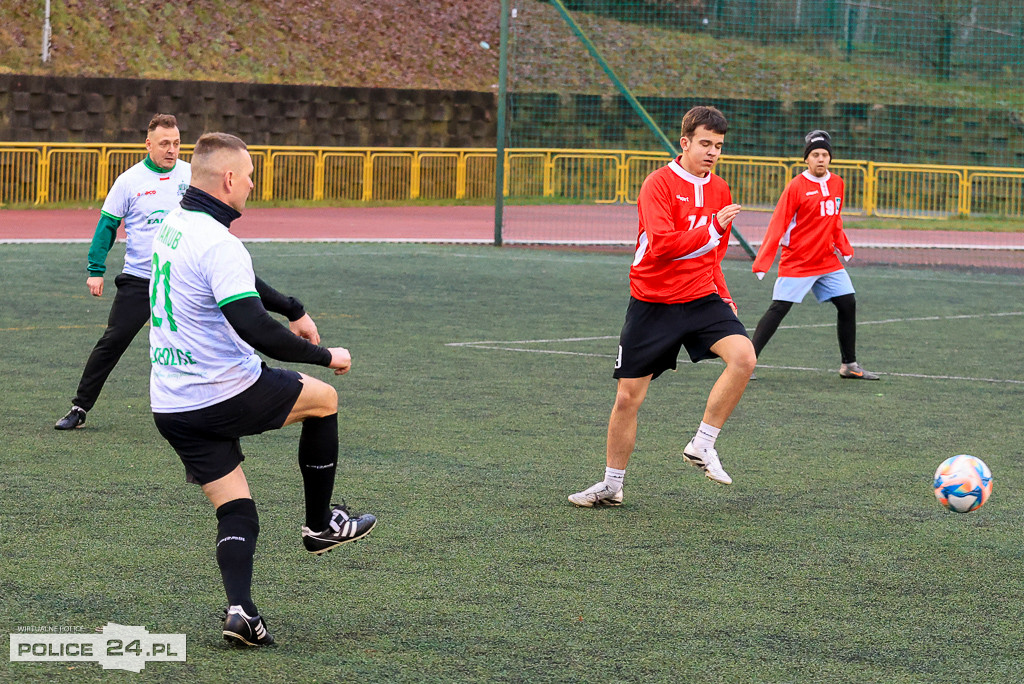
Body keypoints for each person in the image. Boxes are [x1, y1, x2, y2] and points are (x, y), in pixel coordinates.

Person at [148, 132, 376, 647]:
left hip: (171, 405)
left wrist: (292, 307)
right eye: (249, 176)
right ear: (229, 179)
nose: (253, 185)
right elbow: (252, 324)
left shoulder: (174, 224)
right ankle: (320, 526)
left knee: (236, 508)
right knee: (325, 399)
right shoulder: (219, 242)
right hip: (223, 391)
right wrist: (326, 356)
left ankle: (241, 613)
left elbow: (242, 280)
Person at [569, 106, 756, 508]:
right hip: (653, 302)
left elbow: (712, 254)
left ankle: (703, 444)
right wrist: (712, 227)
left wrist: (724, 296)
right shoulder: (658, 184)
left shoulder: (720, 190)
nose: (711, 152)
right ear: (685, 142)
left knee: (744, 357)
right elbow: (662, 244)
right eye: (705, 143)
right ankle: (612, 485)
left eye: (719, 146)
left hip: (701, 296)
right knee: (628, 398)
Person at [55, 114, 191, 430]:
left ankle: (214, 407)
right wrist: (96, 269)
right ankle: (79, 408)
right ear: (148, 144)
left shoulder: (191, 174)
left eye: (176, 143)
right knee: (113, 342)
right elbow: (107, 226)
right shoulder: (129, 181)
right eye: (164, 143)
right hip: (140, 279)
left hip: (184, 279)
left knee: (212, 333)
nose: (171, 150)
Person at [749, 130, 879, 380]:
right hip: (798, 261)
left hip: (827, 260)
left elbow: (834, 221)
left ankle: (849, 365)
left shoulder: (837, 183)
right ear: (806, 159)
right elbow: (778, 224)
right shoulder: (796, 187)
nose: (821, 159)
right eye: (815, 154)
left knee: (848, 303)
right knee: (779, 309)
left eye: (825, 154)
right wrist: (764, 261)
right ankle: (747, 363)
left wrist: (844, 248)